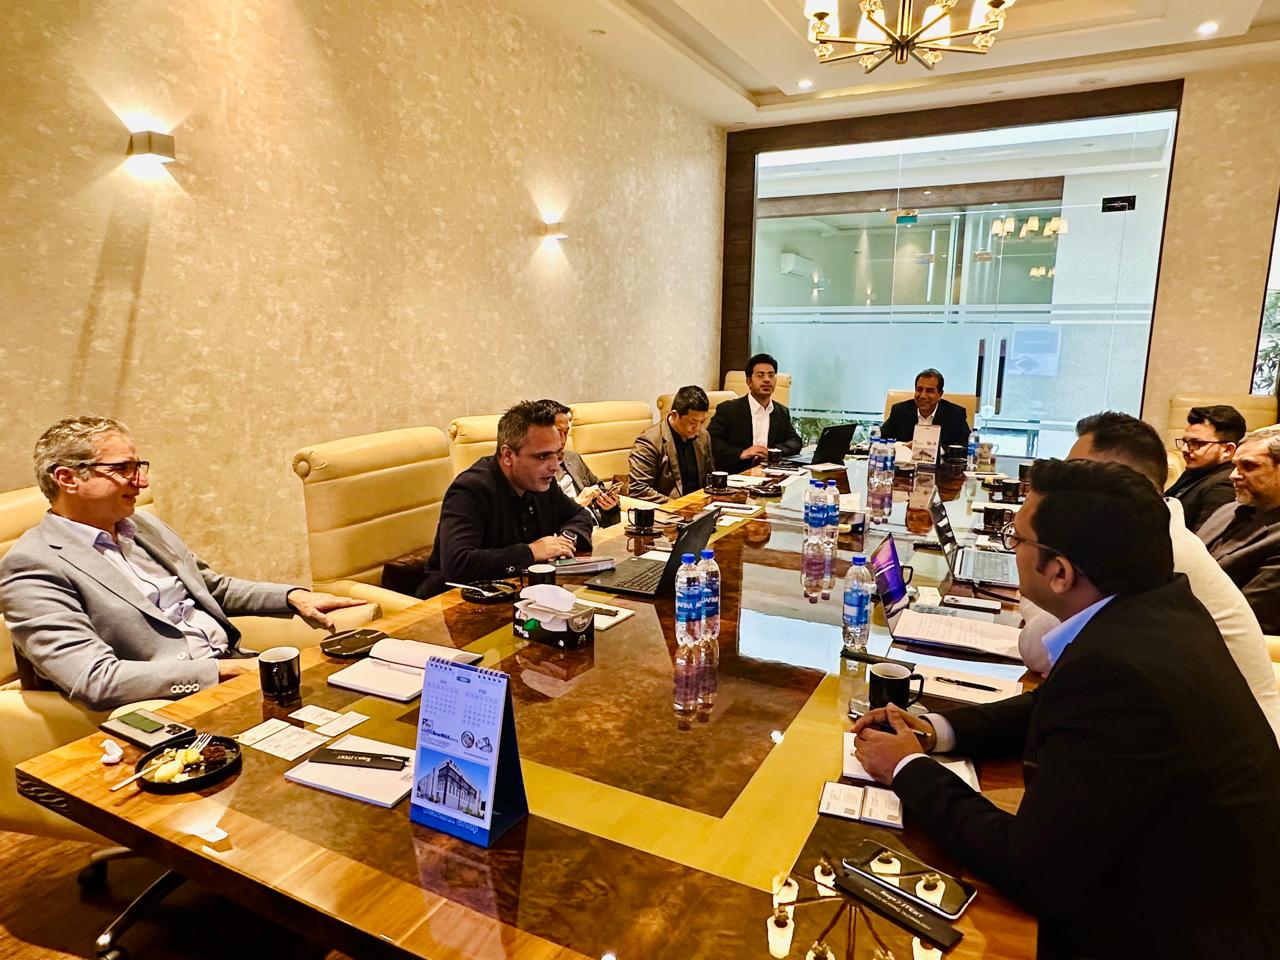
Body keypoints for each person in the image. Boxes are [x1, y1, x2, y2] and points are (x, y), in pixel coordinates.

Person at [853, 459, 1280, 958]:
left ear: (1059, 572)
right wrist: (936, 731)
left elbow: (1032, 872)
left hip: (1175, 933)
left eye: (1017, 540)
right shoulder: (1160, 610)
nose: (1011, 551)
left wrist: (906, 767)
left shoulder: (1116, 674)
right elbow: (1051, 705)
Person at [0, 417, 363, 712]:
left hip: (236, 670)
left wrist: (293, 597)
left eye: (138, 466)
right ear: (67, 478)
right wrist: (226, 671)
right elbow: (95, 679)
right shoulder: (32, 566)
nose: (142, 482)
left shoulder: (141, 525)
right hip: (169, 705)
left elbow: (211, 589)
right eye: (123, 469)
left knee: (360, 707)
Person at [1018, 411, 1280, 742]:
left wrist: (1029, 587)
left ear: (1118, 482)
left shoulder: (1144, 548)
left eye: (1078, 474)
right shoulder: (1156, 526)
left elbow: (1038, 648)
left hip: (1222, 739)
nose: (1061, 487)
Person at [417, 400, 595, 598]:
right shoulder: (470, 490)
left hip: (521, 594)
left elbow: (580, 515)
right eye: (542, 456)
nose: (554, 466)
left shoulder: (542, 482)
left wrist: (566, 540)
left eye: (557, 455)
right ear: (508, 455)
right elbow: (458, 564)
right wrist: (531, 552)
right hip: (453, 602)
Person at [1199, 424, 1280, 635]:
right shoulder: (1228, 509)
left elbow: (1246, 621)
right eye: (1234, 466)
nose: (1233, 475)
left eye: (1249, 466)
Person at [707, 353, 801, 471]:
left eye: (771, 375)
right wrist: (741, 453)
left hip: (770, 472)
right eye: (760, 375)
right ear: (749, 381)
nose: (767, 380)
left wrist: (772, 452)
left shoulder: (781, 412)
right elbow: (711, 440)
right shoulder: (728, 409)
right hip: (737, 474)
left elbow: (795, 441)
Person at [1166, 404, 1246, 531]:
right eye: (1186, 442)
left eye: (1196, 443)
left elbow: (1204, 538)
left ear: (1227, 450)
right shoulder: (1198, 469)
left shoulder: (1224, 486)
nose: (1184, 449)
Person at [540, 400, 620, 526]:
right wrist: (576, 504)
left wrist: (609, 504)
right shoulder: (528, 471)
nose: (563, 440)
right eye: (557, 432)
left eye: (566, 432)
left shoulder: (572, 458)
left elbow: (599, 488)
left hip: (595, 528)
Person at [628, 386, 713, 502]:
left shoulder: (703, 436)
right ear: (674, 415)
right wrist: (679, 505)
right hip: (667, 509)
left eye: (702, 422)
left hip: (701, 505)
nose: (698, 428)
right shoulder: (649, 442)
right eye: (692, 422)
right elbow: (639, 490)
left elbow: (709, 478)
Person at [879, 367, 971, 450]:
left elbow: (968, 446)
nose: (922, 396)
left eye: (929, 391)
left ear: (940, 394)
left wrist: (939, 450)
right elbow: (879, 440)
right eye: (919, 389)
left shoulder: (955, 414)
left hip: (941, 463)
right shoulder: (899, 411)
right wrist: (903, 445)